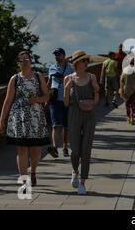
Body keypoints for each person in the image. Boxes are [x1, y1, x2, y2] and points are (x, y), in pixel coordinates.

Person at [0, 51, 50, 189]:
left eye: (27, 59)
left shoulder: (38, 76)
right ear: (18, 63)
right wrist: (2, 120)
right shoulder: (14, 79)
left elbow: (46, 96)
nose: (25, 62)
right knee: (21, 149)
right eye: (21, 60)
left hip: (36, 117)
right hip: (18, 117)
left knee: (36, 149)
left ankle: (32, 171)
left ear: (31, 61)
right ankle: (23, 179)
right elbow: (8, 100)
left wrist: (36, 100)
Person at [63, 50, 100, 195]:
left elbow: (96, 100)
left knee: (86, 150)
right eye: (84, 61)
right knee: (75, 149)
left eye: (87, 60)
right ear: (77, 63)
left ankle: (83, 183)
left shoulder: (92, 77)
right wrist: (66, 89)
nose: (87, 63)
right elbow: (66, 104)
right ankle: (75, 171)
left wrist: (97, 91)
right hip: (74, 114)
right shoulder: (68, 78)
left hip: (89, 115)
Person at [47, 48, 73, 158]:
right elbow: (48, 83)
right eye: (55, 55)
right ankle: (54, 148)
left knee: (66, 126)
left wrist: (63, 79)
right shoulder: (52, 68)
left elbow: (74, 82)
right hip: (54, 100)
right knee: (55, 125)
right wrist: (46, 98)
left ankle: (65, 147)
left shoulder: (70, 68)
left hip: (67, 99)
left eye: (59, 55)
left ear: (63, 55)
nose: (57, 57)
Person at [119, 59, 135, 125]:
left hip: (127, 90)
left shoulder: (125, 69)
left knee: (127, 104)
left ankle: (129, 116)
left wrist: (121, 89)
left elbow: (121, 80)